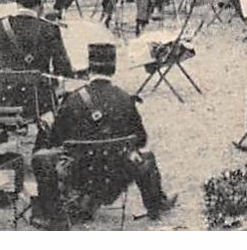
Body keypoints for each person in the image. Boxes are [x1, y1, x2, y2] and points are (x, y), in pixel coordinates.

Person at [30, 42, 175, 229]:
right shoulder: (125, 98)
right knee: (147, 156)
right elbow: (141, 139)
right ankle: (156, 204)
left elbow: (56, 140)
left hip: (79, 176)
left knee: (40, 158)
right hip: (117, 176)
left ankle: (54, 215)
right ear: (113, 69)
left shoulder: (72, 99)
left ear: (90, 68)